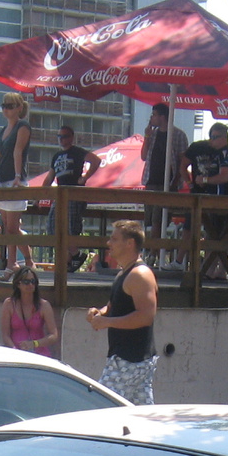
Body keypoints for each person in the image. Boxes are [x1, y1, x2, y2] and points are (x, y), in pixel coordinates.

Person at [87, 220, 159, 403]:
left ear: (130, 243)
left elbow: (146, 316)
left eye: (114, 239)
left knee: (102, 405)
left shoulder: (140, 275)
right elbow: (114, 306)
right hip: (130, 359)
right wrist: (100, 313)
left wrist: (108, 322)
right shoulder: (124, 273)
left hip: (129, 361)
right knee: (141, 417)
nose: (108, 243)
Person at [0, 93, 33, 278]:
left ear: (19, 108)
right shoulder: (3, 130)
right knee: (7, 225)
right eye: (4, 106)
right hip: (2, 179)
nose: (6, 109)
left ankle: (11, 263)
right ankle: (26, 260)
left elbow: (18, 151)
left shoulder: (23, 126)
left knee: (12, 227)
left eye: (10, 106)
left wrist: (17, 176)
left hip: (15, 179)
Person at [184, 122, 228, 272]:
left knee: (216, 236)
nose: (211, 140)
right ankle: (212, 270)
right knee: (213, 235)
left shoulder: (225, 154)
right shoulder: (219, 154)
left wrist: (205, 180)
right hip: (215, 199)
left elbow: (225, 177)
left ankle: (214, 270)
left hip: (220, 200)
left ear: (224, 137)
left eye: (215, 137)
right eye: (210, 137)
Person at [50, 125, 101, 271]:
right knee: (53, 226)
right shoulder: (56, 156)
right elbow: (50, 176)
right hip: (59, 194)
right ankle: (72, 256)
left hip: (74, 193)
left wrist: (85, 177)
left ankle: (72, 256)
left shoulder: (77, 152)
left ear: (71, 138)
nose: (61, 139)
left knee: (71, 227)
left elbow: (96, 161)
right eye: (59, 136)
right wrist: (39, 196)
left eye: (64, 136)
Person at [141, 103, 188, 253]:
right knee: (149, 219)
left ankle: (153, 254)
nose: (151, 118)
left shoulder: (178, 135)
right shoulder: (153, 134)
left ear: (162, 117)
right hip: (151, 180)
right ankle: (150, 251)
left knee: (158, 220)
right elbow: (143, 156)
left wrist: (175, 182)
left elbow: (182, 161)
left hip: (167, 183)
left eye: (154, 115)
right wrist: (147, 136)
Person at [1, 265, 60, 356]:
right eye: (26, 282)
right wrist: (14, 350)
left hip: (39, 354)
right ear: (18, 284)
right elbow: (5, 335)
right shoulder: (9, 304)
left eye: (33, 282)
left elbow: (54, 335)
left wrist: (34, 343)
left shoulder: (44, 305)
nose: (30, 285)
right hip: (15, 353)